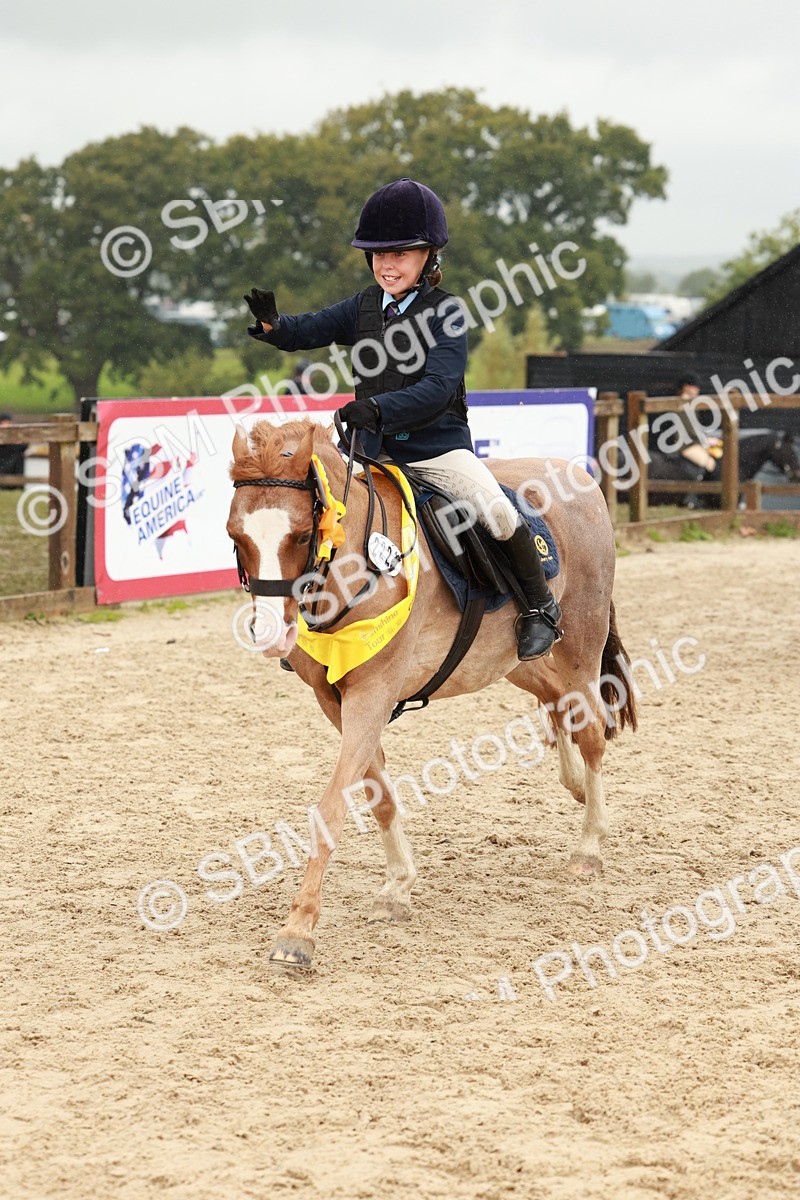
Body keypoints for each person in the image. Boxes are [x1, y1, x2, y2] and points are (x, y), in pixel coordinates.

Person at [243, 178, 561, 659]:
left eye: (400, 254)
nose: (387, 265)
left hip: (436, 449)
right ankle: (314, 622)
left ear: (428, 257)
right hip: (373, 452)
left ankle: (540, 609)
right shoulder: (365, 305)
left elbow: (437, 388)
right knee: (321, 518)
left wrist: (376, 408)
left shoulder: (446, 312)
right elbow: (312, 329)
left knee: (495, 509)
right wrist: (276, 326)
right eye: (378, 255)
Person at [671, 374, 721, 473]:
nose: (698, 389)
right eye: (695, 386)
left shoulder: (690, 404)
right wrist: (705, 440)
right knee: (710, 464)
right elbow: (689, 429)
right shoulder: (682, 405)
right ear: (686, 387)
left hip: (692, 442)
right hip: (685, 445)